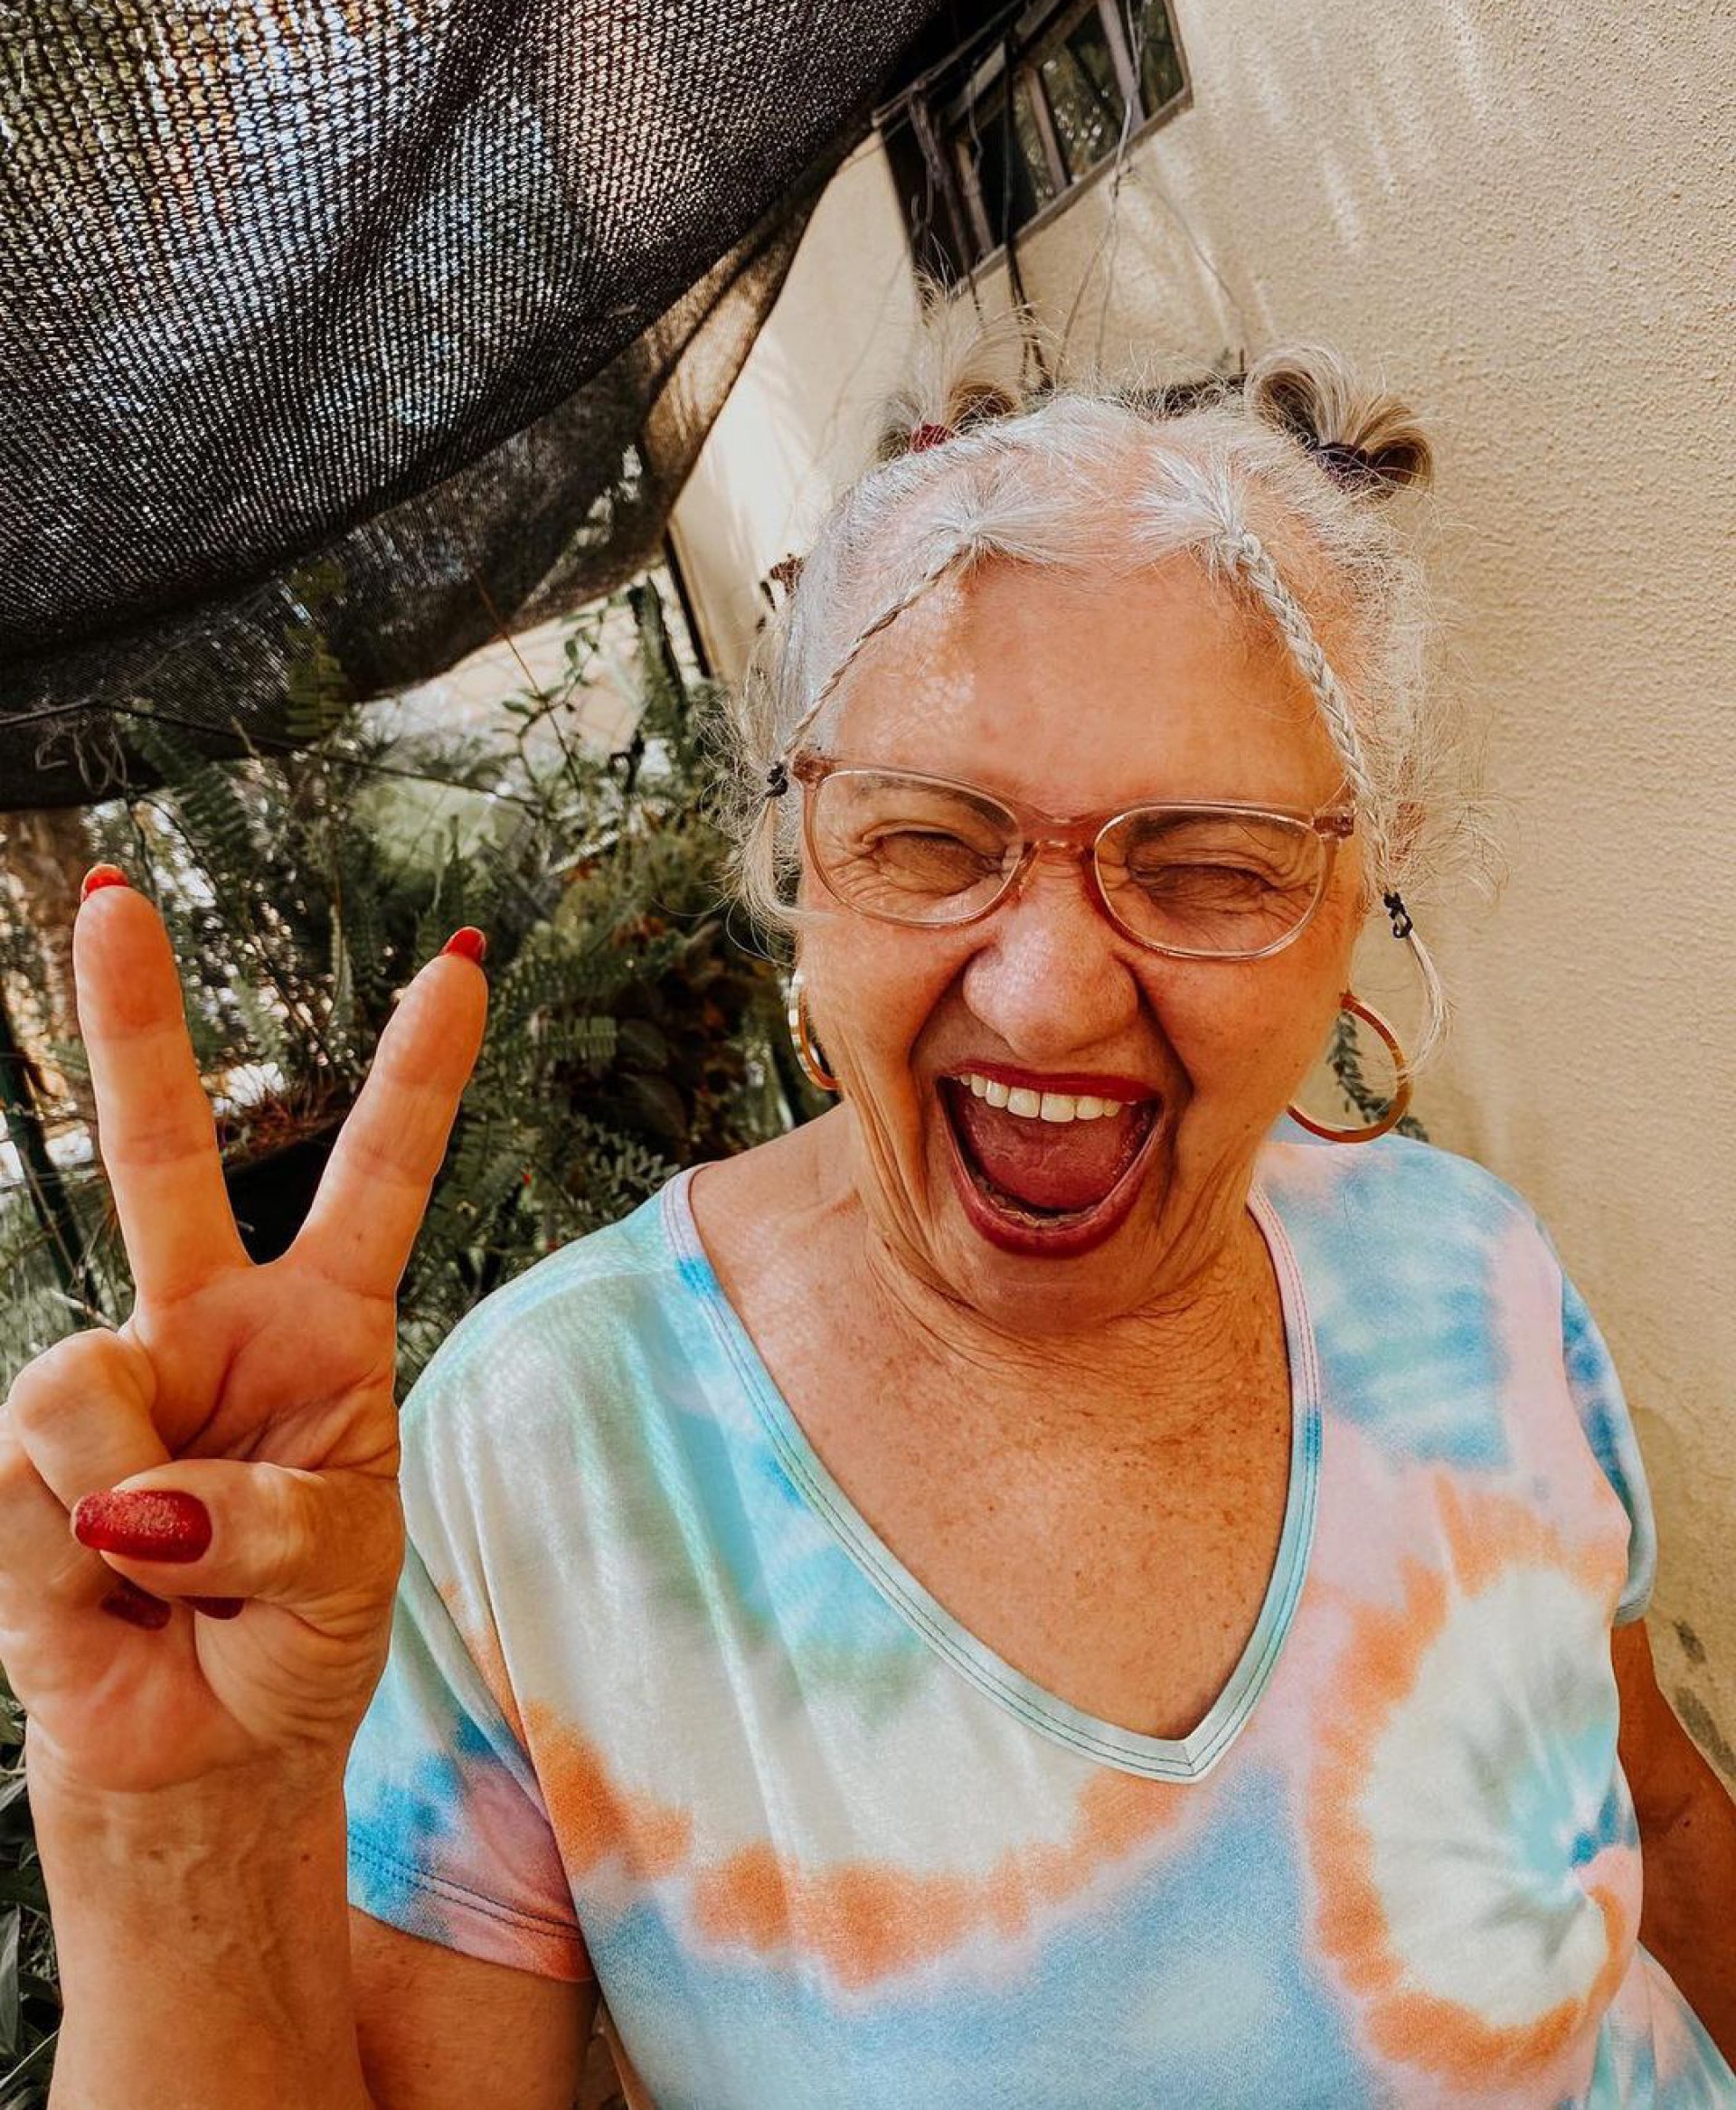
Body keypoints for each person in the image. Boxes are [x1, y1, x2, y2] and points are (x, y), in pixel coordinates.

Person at [4, 343, 1732, 2110]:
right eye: (929, 841)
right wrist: (183, 1847)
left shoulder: (1466, 1266)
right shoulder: (554, 1457)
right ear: (799, 855)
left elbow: (1658, 1811)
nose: (1047, 994)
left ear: (1365, 885)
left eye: (1212, 866)